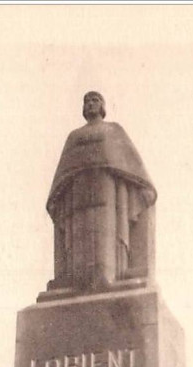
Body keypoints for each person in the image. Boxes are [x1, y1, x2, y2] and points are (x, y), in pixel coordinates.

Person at [47, 91, 157, 291]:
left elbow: (129, 163)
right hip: (78, 196)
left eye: (95, 100)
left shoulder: (113, 131)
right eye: (87, 101)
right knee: (80, 239)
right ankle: (79, 281)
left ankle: (109, 276)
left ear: (103, 106)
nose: (90, 104)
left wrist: (143, 185)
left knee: (107, 236)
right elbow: (64, 170)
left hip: (107, 191)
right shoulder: (74, 136)